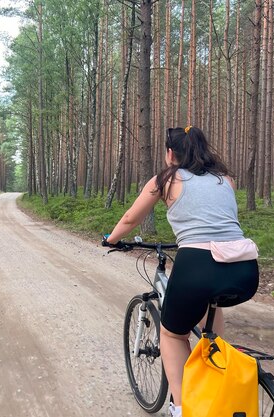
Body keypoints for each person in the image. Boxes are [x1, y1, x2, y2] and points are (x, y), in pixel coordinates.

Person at [102, 126, 259, 417]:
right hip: (244, 269)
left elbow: (130, 218)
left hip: (199, 265)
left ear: (171, 153)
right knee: (211, 315)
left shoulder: (166, 178)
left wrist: (110, 239)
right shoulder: (225, 179)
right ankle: (218, 377)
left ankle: (183, 407)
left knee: (173, 335)